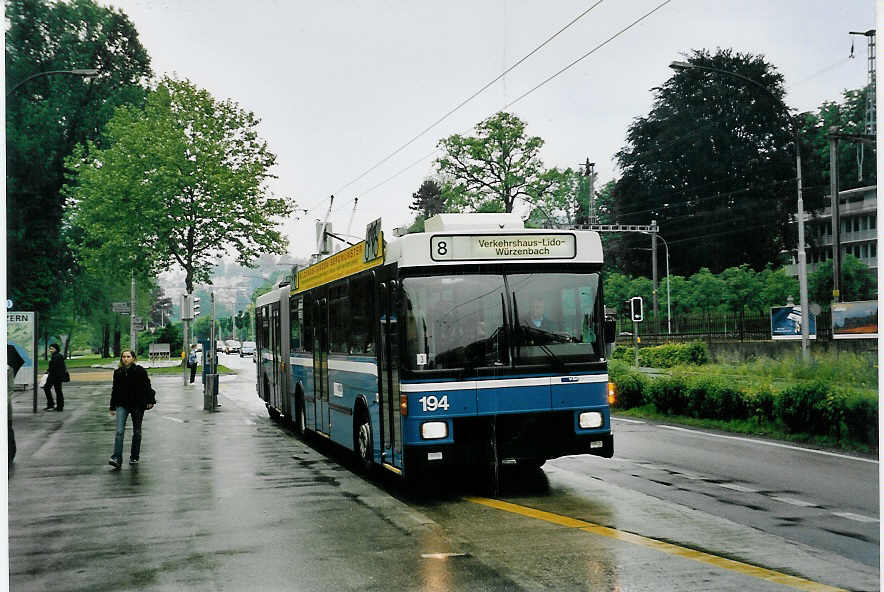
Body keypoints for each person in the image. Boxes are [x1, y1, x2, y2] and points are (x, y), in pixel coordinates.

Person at [108, 350, 156, 469]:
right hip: (121, 404)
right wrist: (112, 406)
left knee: (137, 431)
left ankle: (134, 456)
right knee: (119, 431)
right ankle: (116, 457)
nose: (125, 359)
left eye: (128, 356)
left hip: (137, 405)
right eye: (123, 356)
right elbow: (115, 389)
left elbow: (147, 386)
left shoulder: (140, 371)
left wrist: (150, 400)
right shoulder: (118, 372)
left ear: (133, 358)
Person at [43, 343, 67, 411]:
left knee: (47, 388)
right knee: (58, 391)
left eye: (52, 349)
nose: (50, 350)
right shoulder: (58, 356)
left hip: (54, 376)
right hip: (58, 376)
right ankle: (59, 406)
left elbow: (54, 367)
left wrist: (48, 370)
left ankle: (51, 404)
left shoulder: (56, 356)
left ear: (56, 349)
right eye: (50, 349)